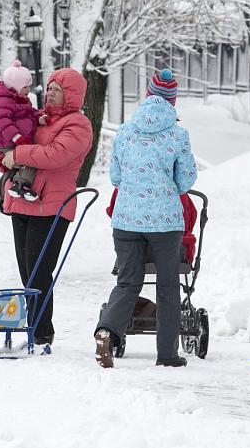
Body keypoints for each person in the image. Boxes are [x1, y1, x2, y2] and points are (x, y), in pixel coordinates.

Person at [95, 69, 198, 369]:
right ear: (173, 100)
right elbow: (186, 180)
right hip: (165, 224)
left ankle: (106, 331)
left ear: (148, 96)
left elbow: (115, 176)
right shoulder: (179, 134)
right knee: (167, 287)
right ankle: (166, 354)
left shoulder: (126, 130)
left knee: (128, 282)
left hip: (126, 221)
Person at [0, 68, 93, 347]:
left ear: (71, 95)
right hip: (21, 201)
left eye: (57, 89)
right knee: (27, 272)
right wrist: (4, 158)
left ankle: (40, 333)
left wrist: (18, 154)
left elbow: (55, 155)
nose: (50, 92)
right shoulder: (35, 119)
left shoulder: (78, 125)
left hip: (51, 206)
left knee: (39, 271)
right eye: (49, 87)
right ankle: (34, 328)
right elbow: (9, 148)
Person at [0, 60, 40, 201]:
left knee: (15, 166)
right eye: (25, 87)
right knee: (29, 160)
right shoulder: (3, 101)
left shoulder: (20, 99)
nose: (28, 90)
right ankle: (21, 185)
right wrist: (17, 138)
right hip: (9, 141)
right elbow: (3, 123)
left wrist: (40, 118)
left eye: (29, 86)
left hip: (14, 140)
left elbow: (29, 113)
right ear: (16, 86)